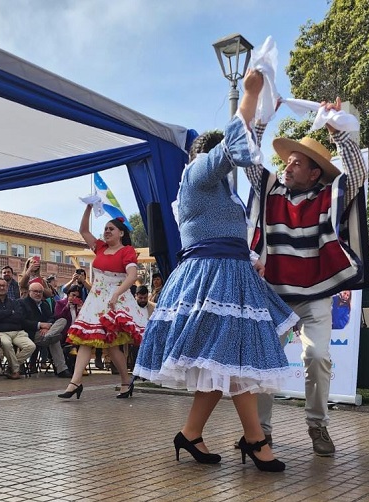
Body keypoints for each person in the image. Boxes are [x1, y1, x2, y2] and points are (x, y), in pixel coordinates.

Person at [134, 69, 293, 472]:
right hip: (211, 279)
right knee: (231, 360)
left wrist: (251, 259)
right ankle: (255, 441)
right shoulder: (196, 176)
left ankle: (190, 434)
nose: (224, 165)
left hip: (231, 276)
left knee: (220, 364)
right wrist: (250, 93)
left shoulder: (224, 193)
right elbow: (233, 150)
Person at [245, 94, 369, 457]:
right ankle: (262, 433)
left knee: (317, 358)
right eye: (288, 161)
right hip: (273, 296)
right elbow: (249, 158)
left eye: (298, 163)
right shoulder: (270, 190)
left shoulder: (329, 196)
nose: (288, 166)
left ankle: (317, 425)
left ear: (315, 173)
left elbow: (357, 173)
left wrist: (340, 132)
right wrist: (263, 119)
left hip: (315, 295)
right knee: (266, 362)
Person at [58, 208, 146, 400]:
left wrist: (116, 294)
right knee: (85, 340)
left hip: (116, 300)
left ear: (121, 233)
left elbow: (132, 276)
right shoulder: (99, 247)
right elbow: (83, 230)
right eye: (105, 229)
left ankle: (125, 381)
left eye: (111, 229)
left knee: (113, 345)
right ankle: (75, 382)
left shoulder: (127, 251)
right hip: (96, 300)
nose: (106, 231)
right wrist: (88, 208)